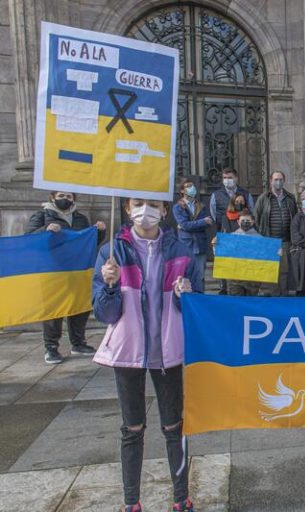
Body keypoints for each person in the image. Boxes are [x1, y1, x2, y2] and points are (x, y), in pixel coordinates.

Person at [93, 197, 202, 512]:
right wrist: (110, 286)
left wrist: (187, 295)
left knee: (173, 426)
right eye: (139, 203)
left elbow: (196, 307)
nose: (146, 210)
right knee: (132, 429)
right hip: (129, 352)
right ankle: (131, 502)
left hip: (168, 352)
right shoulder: (112, 252)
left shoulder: (181, 253)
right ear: (127, 209)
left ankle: (181, 499)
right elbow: (105, 312)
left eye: (153, 204)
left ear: (164, 211)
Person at [26, 191, 106, 364]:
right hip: (51, 270)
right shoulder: (41, 215)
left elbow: (89, 242)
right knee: (54, 309)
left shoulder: (80, 218)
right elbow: (29, 238)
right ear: (52, 197)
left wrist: (99, 232)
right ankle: (51, 348)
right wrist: (44, 231)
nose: (66, 199)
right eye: (62, 195)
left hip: (75, 270)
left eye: (69, 197)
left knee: (79, 306)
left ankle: (78, 343)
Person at [253, 171, 298, 296]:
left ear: (284, 181)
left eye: (281, 179)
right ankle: (273, 298)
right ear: (271, 181)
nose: (278, 182)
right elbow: (256, 218)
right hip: (269, 241)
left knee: (284, 272)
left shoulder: (290, 198)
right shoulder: (263, 198)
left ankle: (283, 297)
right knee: (270, 272)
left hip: (285, 241)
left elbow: (294, 218)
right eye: (276, 179)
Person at [172, 179, 213, 280]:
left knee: (200, 276)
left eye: (193, 186)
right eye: (188, 186)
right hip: (186, 245)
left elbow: (209, 223)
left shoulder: (201, 206)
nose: (192, 188)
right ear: (182, 190)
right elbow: (185, 225)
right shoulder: (178, 207)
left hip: (200, 245)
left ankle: (200, 296)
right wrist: (202, 222)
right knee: (186, 276)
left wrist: (189, 226)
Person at [224, 210, 261, 297]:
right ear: (238, 222)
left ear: (252, 222)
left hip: (252, 280)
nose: (245, 223)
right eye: (243, 221)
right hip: (234, 279)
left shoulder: (260, 239)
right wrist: (216, 246)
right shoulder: (231, 237)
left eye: (247, 221)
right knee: (235, 305)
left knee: (251, 305)